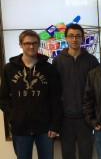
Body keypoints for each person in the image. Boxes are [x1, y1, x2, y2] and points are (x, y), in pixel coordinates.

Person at [0, 30, 63, 159]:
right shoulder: (9, 68)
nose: (31, 46)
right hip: (20, 127)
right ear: (20, 45)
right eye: (27, 43)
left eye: (35, 43)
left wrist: (55, 125)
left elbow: (56, 99)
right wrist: (13, 117)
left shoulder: (48, 69)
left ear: (39, 44)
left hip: (45, 127)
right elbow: (3, 98)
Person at [52, 24, 99, 159]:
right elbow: (54, 92)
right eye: (71, 36)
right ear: (66, 38)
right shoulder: (58, 60)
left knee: (86, 154)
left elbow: (96, 90)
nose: (74, 39)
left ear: (82, 38)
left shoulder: (91, 60)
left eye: (78, 36)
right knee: (67, 155)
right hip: (65, 118)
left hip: (85, 118)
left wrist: (94, 115)